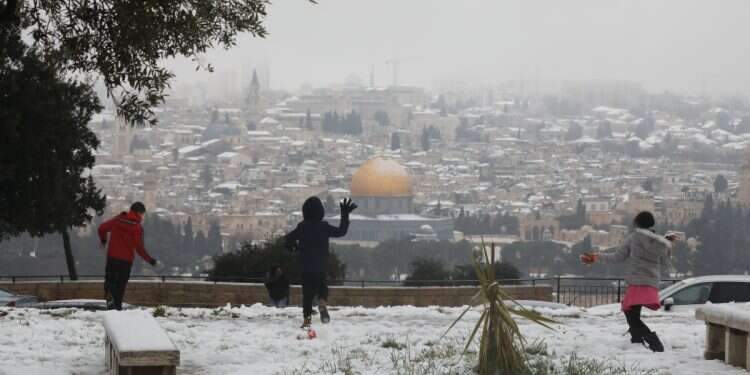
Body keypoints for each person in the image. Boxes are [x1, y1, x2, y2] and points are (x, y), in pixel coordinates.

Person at [581, 211, 675, 352]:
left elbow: (617, 257)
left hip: (638, 280)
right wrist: (666, 241)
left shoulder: (634, 238)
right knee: (631, 311)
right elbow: (665, 260)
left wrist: (597, 256)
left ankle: (654, 343)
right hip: (651, 281)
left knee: (630, 311)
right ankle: (637, 341)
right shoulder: (658, 242)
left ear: (637, 222)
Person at [285, 197, 357, 328]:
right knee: (322, 289)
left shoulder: (302, 227)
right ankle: (322, 303)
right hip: (320, 266)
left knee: (307, 295)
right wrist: (345, 214)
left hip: (306, 267)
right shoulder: (324, 227)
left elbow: (287, 239)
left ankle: (307, 319)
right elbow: (341, 231)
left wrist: (293, 248)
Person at [98, 202, 159, 310]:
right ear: (139, 213)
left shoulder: (117, 220)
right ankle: (117, 306)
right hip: (125, 261)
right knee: (121, 285)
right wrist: (150, 260)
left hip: (112, 257)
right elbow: (139, 248)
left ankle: (109, 297)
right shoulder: (136, 228)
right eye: (142, 214)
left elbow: (102, 228)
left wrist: (103, 240)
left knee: (110, 280)